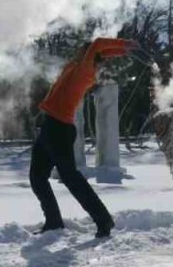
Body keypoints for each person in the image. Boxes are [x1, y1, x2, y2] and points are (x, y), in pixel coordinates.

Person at [30, 36, 135, 238]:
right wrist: (123, 51)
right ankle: (53, 221)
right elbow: (100, 51)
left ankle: (103, 219)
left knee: (71, 179)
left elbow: (97, 45)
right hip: (49, 126)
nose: (79, 52)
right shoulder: (76, 66)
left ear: (89, 56)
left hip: (59, 130)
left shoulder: (85, 71)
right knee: (37, 177)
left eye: (84, 51)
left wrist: (125, 44)